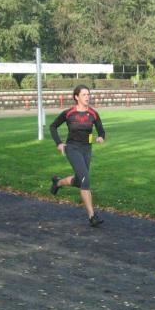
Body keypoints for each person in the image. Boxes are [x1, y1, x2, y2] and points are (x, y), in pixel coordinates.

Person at [49, 85, 106, 226]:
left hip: (87, 148)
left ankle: (57, 183)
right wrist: (59, 143)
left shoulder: (93, 113)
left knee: (80, 180)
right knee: (85, 180)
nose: (87, 97)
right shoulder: (69, 113)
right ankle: (92, 216)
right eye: (84, 94)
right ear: (76, 97)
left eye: (88, 94)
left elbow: (101, 131)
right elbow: (53, 126)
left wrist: (100, 137)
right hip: (72, 148)